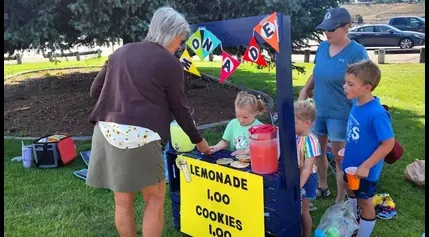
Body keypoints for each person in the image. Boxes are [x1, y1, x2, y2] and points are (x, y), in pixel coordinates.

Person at [86, 7, 211, 237]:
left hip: (106, 130)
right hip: (141, 135)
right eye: (180, 40)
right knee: (154, 198)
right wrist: (199, 141)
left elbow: (95, 91)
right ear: (171, 35)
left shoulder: (120, 52)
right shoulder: (171, 64)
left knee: (123, 202)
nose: (180, 46)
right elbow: (180, 109)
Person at [298, 7, 369, 203]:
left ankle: (340, 198)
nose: (327, 32)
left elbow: (363, 84)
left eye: (332, 28)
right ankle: (322, 185)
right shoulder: (322, 47)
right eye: (325, 28)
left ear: (346, 27)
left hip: (341, 112)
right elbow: (317, 72)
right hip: (318, 110)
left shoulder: (357, 51)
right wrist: (305, 91)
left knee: (339, 158)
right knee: (316, 151)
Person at [343, 60, 395, 237]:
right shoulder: (355, 103)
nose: (345, 87)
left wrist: (366, 165)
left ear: (366, 87)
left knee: (365, 202)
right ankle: (351, 218)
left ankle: (363, 234)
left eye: (350, 84)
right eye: (346, 82)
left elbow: (389, 143)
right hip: (350, 163)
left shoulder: (378, 113)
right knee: (349, 189)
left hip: (366, 169)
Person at [294, 99, 322, 237]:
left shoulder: (311, 141)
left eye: (294, 122)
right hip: (296, 175)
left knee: (304, 210)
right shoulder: (296, 135)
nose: (291, 125)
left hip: (307, 179)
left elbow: (307, 168)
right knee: (295, 208)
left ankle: (306, 234)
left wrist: (298, 186)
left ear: (307, 123)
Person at [210, 91, 266, 155]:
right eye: (238, 116)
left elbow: (262, 149)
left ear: (256, 112)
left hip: (254, 161)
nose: (241, 120)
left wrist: (246, 152)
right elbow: (225, 141)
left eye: (245, 117)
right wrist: (216, 147)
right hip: (235, 161)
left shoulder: (261, 128)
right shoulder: (233, 124)